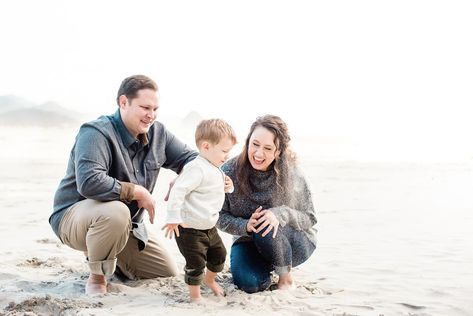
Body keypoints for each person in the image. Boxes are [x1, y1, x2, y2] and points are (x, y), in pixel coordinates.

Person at [49, 74, 198, 295]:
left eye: (155, 109)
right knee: (116, 211)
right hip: (74, 218)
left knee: (164, 271)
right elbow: (89, 182)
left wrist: (186, 176)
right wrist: (136, 191)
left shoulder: (159, 134)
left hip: (128, 226)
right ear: (123, 102)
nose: (151, 115)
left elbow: (193, 159)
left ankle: (105, 253)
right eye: (145, 107)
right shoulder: (95, 132)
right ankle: (97, 278)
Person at [216, 114, 317, 293]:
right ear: (247, 141)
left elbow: (310, 217)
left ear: (278, 151)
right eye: (255, 144)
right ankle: (269, 269)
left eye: (268, 148)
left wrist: (279, 214)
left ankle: (285, 278)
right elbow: (218, 216)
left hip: (294, 241)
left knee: (266, 222)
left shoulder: (292, 173)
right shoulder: (228, 172)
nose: (258, 153)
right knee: (251, 284)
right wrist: (246, 225)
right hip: (247, 241)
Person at [163, 119, 237, 302]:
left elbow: (213, 190)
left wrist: (229, 186)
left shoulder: (214, 167)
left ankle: (210, 280)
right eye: (224, 151)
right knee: (195, 263)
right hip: (188, 228)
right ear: (206, 146)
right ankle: (195, 296)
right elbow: (178, 190)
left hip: (209, 226)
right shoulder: (196, 168)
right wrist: (173, 217)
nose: (227, 156)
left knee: (219, 256)